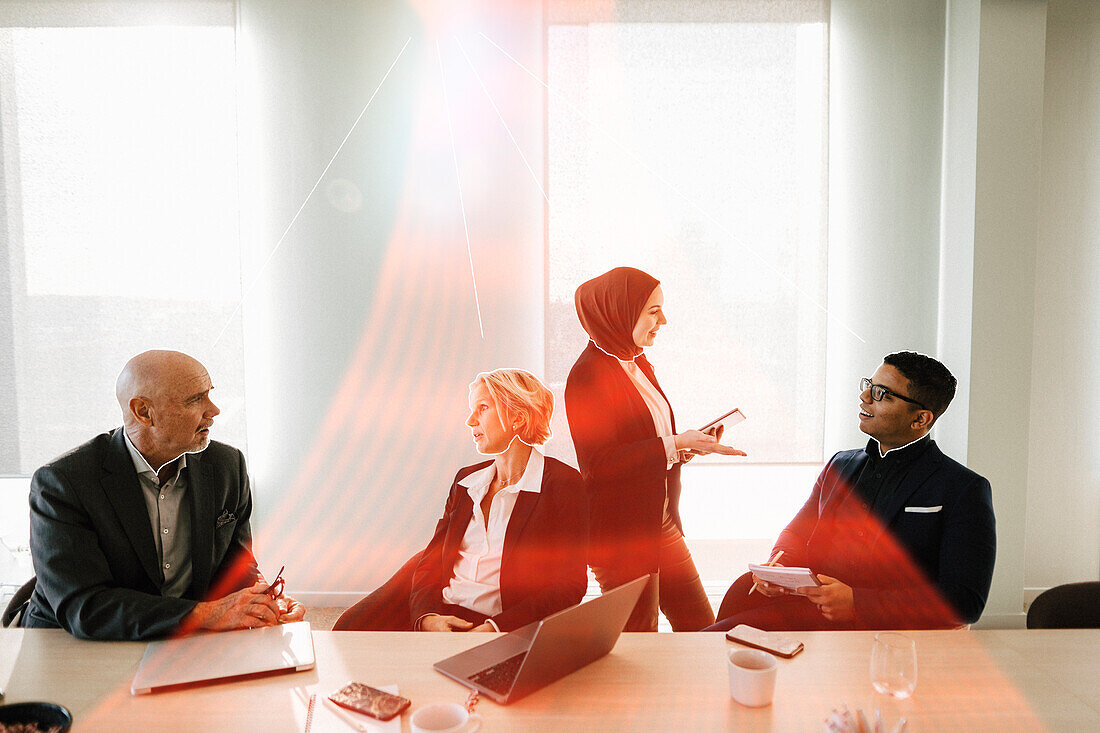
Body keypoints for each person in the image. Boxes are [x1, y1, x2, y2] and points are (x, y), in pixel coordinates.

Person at [23, 350, 303, 640]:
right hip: (70, 643)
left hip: (183, 643)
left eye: (209, 394)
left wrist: (263, 601)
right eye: (195, 399)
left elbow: (236, 567)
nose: (214, 410)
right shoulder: (63, 482)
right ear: (143, 412)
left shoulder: (227, 465)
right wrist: (205, 614)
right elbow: (85, 608)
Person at [708, 351, 996, 632]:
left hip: (884, 634)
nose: (865, 397)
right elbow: (797, 533)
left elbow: (964, 603)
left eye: (882, 393)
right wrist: (779, 568)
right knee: (715, 637)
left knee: (713, 648)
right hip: (807, 615)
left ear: (920, 419)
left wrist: (859, 603)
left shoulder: (963, 488)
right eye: (869, 386)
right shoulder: (840, 464)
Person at [565, 267, 745, 632]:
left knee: (701, 627)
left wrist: (686, 448)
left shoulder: (637, 363)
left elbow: (643, 444)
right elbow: (600, 464)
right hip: (622, 537)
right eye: (653, 311)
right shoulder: (587, 375)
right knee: (639, 641)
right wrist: (675, 443)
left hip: (659, 521)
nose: (663, 320)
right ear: (621, 312)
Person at [408, 369, 588, 632]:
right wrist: (428, 618)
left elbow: (569, 586)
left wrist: (496, 627)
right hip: (442, 619)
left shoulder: (562, 484)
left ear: (517, 418)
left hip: (506, 628)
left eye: (482, 408)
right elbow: (431, 561)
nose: (470, 421)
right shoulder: (466, 480)